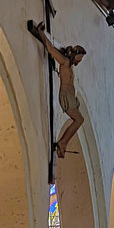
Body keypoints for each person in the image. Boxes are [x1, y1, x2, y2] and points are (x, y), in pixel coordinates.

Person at [28, 20, 86, 158]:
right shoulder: (65, 63)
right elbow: (51, 49)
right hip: (66, 96)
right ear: (74, 55)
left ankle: (63, 143)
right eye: (80, 58)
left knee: (79, 120)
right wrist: (41, 33)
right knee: (79, 120)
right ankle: (63, 143)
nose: (80, 61)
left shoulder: (69, 65)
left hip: (71, 98)